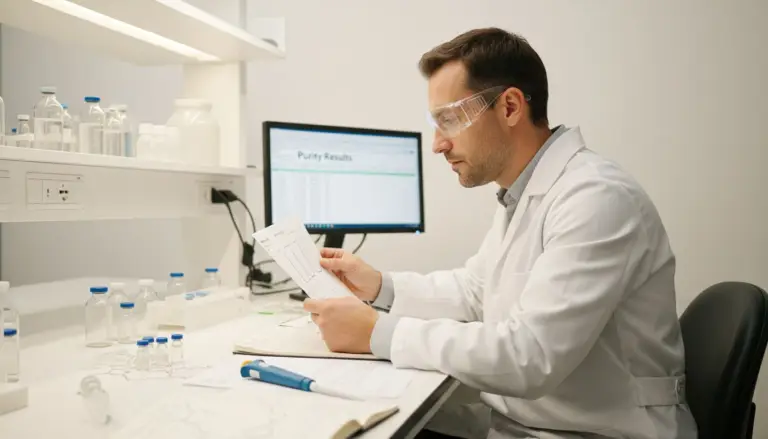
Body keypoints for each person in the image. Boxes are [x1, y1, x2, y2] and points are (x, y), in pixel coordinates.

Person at [303, 27, 698, 439]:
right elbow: (477, 292)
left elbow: (532, 356)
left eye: (450, 120)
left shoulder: (596, 198)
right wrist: (380, 287)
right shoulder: (525, 194)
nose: (437, 144)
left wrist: (378, 333)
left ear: (509, 107)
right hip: (535, 423)